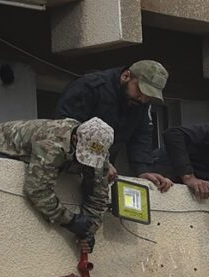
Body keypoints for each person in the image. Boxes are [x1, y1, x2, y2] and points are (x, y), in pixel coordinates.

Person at [0, 117, 114, 252]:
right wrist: (70, 220)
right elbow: (37, 189)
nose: (87, 162)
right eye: (84, 155)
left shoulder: (98, 150)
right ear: (75, 139)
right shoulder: (51, 141)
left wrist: (88, 231)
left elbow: (98, 197)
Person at [55, 60, 174, 191]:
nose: (143, 99)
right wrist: (102, 161)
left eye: (149, 96)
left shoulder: (140, 103)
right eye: (141, 90)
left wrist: (143, 170)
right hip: (63, 166)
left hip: (100, 173)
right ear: (126, 76)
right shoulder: (90, 85)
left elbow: (140, 136)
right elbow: (68, 127)